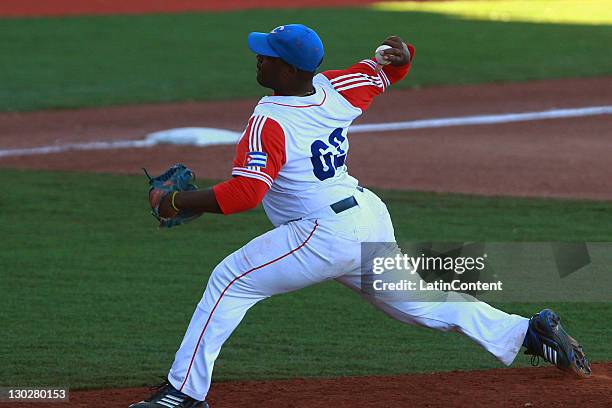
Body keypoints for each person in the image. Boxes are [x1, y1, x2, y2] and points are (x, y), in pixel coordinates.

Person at [129, 24, 590, 408]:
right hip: (365, 217)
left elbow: (247, 193)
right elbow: (389, 69)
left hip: (321, 234)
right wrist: (402, 54)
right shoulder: (335, 88)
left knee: (230, 280)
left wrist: (174, 203)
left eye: (267, 56)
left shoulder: (269, 118)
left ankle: (182, 394)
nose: (259, 60)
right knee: (420, 304)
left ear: (288, 69)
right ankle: (528, 332)